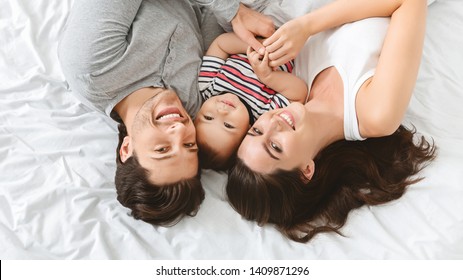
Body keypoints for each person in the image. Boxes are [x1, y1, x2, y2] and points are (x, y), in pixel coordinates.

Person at [226, 0, 436, 242]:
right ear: (306, 170)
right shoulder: (375, 114)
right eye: (275, 147)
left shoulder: (296, 82)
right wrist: (306, 26)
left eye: (256, 130)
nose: (272, 124)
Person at [58, 0, 275, 226]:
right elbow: (213, 29)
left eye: (162, 149)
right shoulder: (193, 106)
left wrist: (233, 11)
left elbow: (224, 11)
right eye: (189, 146)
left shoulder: (94, 64)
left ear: (126, 148)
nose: (180, 130)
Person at [195, 32, 307, 170]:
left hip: (252, 35)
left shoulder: (207, 86)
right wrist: (268, 77)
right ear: (247, 130)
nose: (221, 111)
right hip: (289, 43)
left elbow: (221, 44)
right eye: (228, 125)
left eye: (208, 117)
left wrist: (258, 48)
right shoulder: (264, 114)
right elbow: (298, 93)